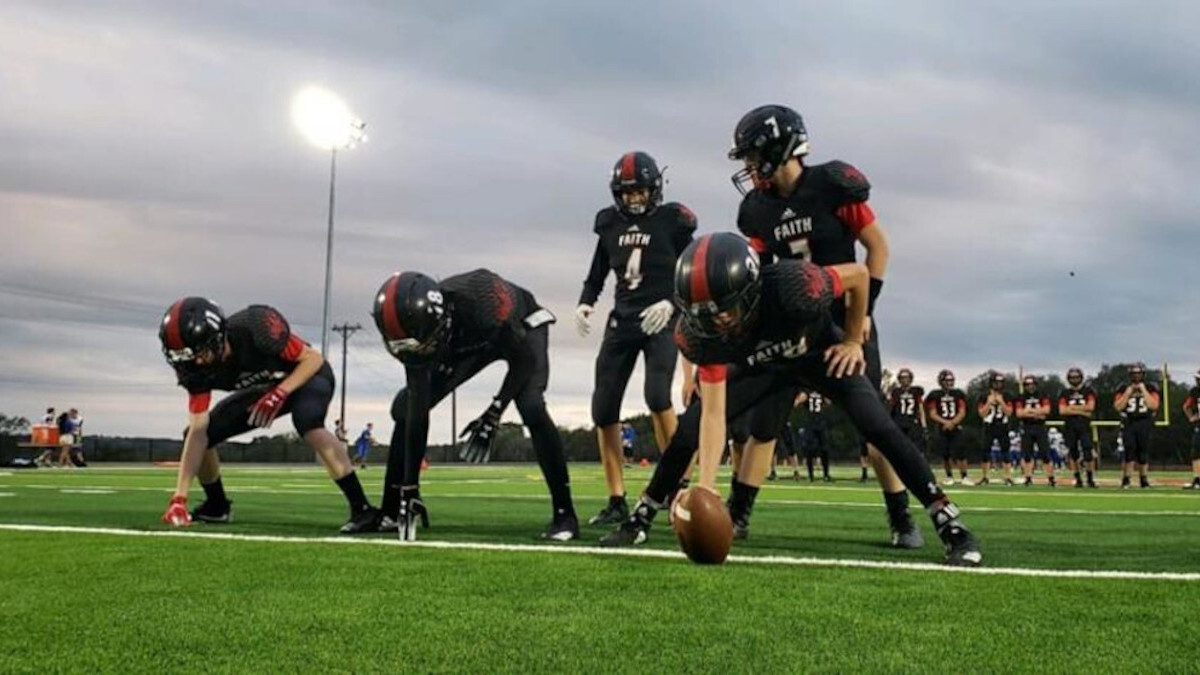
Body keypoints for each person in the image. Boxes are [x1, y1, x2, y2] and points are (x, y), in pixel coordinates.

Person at [601, 234, 981, 566]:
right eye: (702, 313)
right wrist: (706, 485)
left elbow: (858, 275)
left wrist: (851, 340)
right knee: (688, 428)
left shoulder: (794, 285)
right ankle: (641, 516)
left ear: (750, 290)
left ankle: (950, 523)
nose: (715, 321)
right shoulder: (703, 334)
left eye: (723, 308)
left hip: (817, 352)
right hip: (762, 367)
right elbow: (713, 417)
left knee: (879, 426)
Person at [728, 104, 922, 548]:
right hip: (791, 325)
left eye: (754, 157)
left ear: (782, 148)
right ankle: (738, 514)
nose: (750, 168)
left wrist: (864, 311)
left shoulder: (832, 185)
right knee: (765, 425)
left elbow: (878, 249)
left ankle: (901, 517)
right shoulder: (757, 209)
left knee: (875, 428)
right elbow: (757, 267)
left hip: (843, 318)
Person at [371, 269, 577, 540]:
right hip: (469, 340)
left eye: (421, 346)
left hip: (521, 329)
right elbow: (418, 412)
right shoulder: (417, 330)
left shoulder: (482, 302)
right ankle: (392, 509)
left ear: (440, 322)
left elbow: (523, 360)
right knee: (405, 409)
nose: (415, 355)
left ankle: (565, 514)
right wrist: (409, 487)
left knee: (531, 406)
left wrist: (494, 412)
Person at [157, 298, 377, 532]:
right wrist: (179, 498)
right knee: (199, 433)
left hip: (308, 377)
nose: (194, 363)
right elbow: (198, 431)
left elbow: (313, 359)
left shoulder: (255, 329)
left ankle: (363, 509)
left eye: (198, 353)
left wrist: (281, 392)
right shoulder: (195, 372)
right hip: (267, 388)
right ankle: (216, 506)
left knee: (307, 422)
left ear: (218, 338)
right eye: (184, 358)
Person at [575, 151, 697, 526]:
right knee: (603, 409)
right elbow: (598, 270)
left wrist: (673, 302)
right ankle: (616, 498)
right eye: (627, 193)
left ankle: (677, 482)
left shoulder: (674, 221)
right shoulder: (608, 223)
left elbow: (693, 271)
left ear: (654, 189)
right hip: (623, 319)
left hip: (661, 316)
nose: (634, 199)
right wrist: (585, 302)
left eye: (639, 191)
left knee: (657, 396)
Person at [1114, 362, 1159, 489]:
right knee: (1129, 451)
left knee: (1143, 452)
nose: (1136, 376)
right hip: (1129, 421)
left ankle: (1143, 479)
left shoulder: (1150, 388)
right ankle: (1126, 478)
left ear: (1143, 374)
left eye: (1139, 373)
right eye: (1134, 374)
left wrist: (1143, 390)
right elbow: (1118, 406)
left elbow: (1154, 405)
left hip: (1145, 421)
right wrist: (1128, 393)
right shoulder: (1123, 388)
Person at [926, 370, 968, 485]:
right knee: (945, 453)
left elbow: (962, 411)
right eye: (947, 380)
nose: (949, 383)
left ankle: (964, 476)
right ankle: (949, 476)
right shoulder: (935, 395)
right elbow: (932, 413)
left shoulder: (958, 393)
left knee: (961, 452)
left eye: (951, 380)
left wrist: (952, 423)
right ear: (941, 381)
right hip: (941, 427)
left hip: (956, 426)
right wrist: (945, 422)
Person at [1058, 367, 1098, 488]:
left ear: (1081, 378)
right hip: (1070, 425)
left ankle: (1090, 478)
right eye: (1072, 377)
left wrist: (1072, 409)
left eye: (1076, 377)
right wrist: (1082, 410)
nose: (1074, 379)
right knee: (1073, 452)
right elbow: (1062, 411)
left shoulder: (1088, 391)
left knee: (1088, 451)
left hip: (1084, 424)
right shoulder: (1064, 393)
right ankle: (1078, 478)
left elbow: (1091, 407)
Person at [1015, 375, 1055, 487]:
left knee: (1045, 453)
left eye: (1032, 384)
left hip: (1040, 427)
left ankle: (1051, 477)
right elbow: (1019, 413)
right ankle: (1028, 477)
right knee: (1027, 454)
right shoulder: (1021, 397)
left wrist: (1028, 412)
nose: (1030, 387)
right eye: (1027, 385)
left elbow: (1046, 410)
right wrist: (1037, 412)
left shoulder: (1042, 395)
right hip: (1027, 426)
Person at [977, 371, 1014, 486]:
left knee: (1005, 451)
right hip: (989, 425)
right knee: (985, 451)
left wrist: (1001, 401)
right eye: (996, 382)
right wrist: (989, 402)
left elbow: (1009, 413)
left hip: (1002, 425)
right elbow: (982, 414)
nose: (998, 385)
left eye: (1000, 382)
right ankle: (985, 477)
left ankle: (1007, 477)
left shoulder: (1007, 395)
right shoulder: (984, 396)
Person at [888, 368, 927, 476]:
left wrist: (924, 425)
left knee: (916, 449)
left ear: (910, 379)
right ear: (899, 379)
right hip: (899, 422)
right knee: (898, 448)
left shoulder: (916, 392)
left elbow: (920, 408)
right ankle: (899, 471)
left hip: (912, 423)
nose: (905, 380)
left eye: (907, 378)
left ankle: (919, 471)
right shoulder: (896, 392)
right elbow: (892, 407)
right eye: (902, 378)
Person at [797, 390, 832, 482]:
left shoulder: (812, 391)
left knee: (823, 449)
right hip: (813, 423)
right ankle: (814, 475)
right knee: (811, 450)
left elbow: (828, 401)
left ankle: (824, 474)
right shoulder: (808, 391)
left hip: (818, 423)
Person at [1183, 369, 1200, 490]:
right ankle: (1197, 479)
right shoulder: (1195, 391)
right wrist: (1192, 417)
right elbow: (1186, 406)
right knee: (1196, 451)